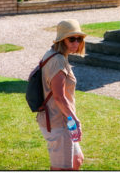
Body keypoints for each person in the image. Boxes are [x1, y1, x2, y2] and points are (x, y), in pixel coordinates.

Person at [37, 19, 86, 170]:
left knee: (76, 160)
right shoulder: (57, 60)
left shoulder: (55, 55)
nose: (76, 43)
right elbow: (59, 97)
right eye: (71, 38)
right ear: (61, 40)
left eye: (79, 38)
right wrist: (75, 120)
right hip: (59, 123)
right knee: (62, 168)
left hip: (63, 121)